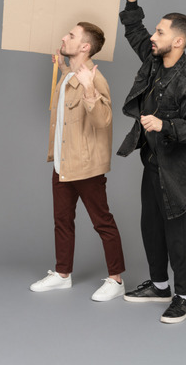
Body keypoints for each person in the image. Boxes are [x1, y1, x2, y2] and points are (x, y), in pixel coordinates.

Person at [114, 0, 186, 323]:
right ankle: (159, 286)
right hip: (151, 161)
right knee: (150, 225)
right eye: (155, 32)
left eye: (160, 32)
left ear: (179, 41)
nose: (153, 38)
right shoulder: (155, 60)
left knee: (177, 233)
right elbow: (136, 33)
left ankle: (183, 297)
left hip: (175, 170)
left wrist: (165, 125)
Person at [30, 22, 125, 301]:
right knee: (62, 221)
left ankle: (116, 279)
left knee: (102, 221)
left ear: (85, 47)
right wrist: (62, 67)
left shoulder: (94, 78)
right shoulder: (70, 74)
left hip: (85, 166)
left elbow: (103, 121)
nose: (63, 37)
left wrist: (89, 90)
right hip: (62, 163)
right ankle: (62, 275)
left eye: (71, 36)